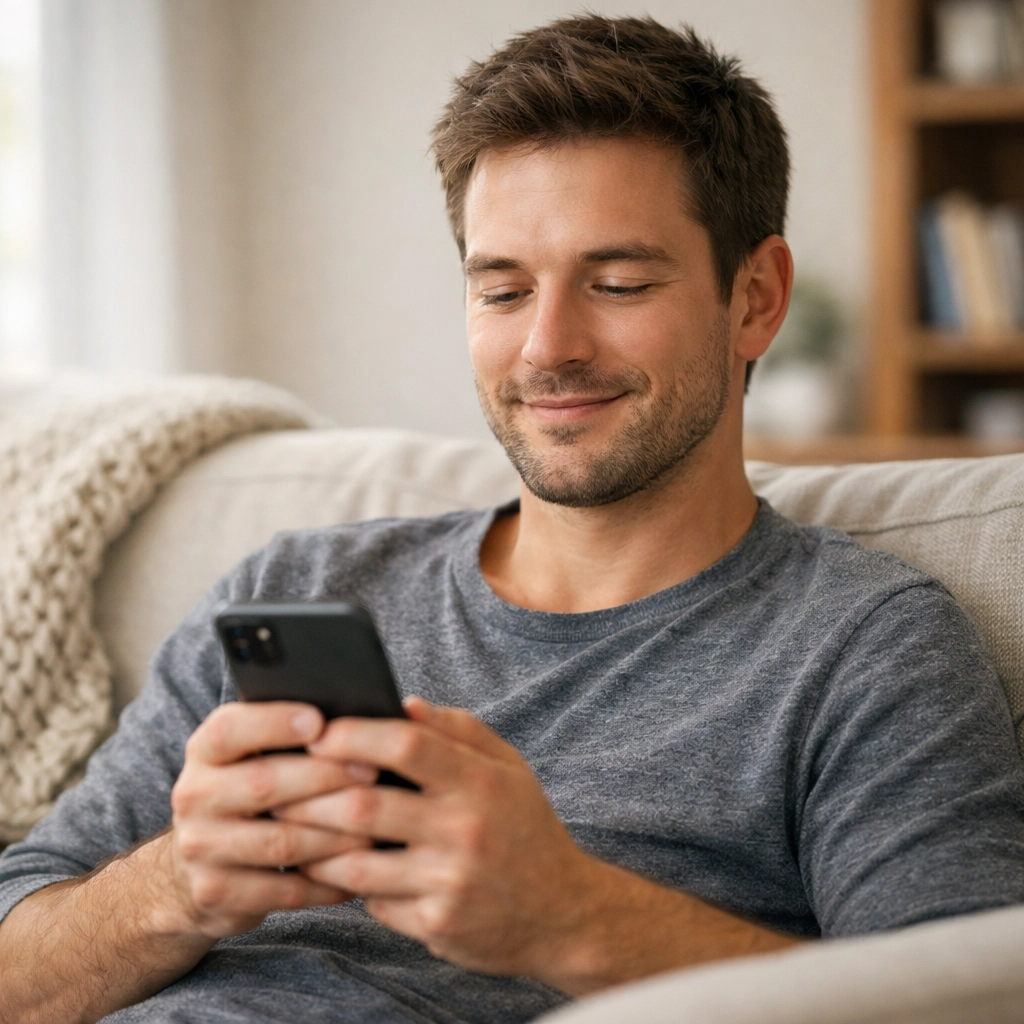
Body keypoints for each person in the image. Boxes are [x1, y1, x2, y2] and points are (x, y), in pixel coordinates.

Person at [2, 14, 1023, 1024]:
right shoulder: (297, 586)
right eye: (501, 290)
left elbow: (958, 1002)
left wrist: (566, 916)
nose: (546, 347)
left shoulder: (865, 647)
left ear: (754, 297)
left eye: (617, 282)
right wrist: (176, 886)